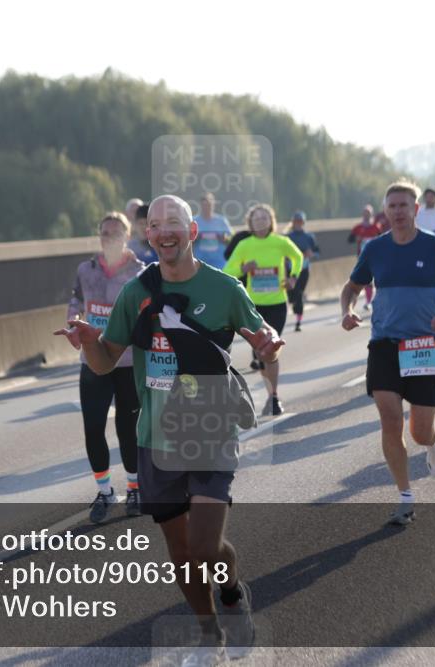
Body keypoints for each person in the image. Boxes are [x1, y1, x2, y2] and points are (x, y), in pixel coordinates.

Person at [56, 194, 283, 664]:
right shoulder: (135, 293)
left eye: (173, 223)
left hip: (211, 428)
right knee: (181, 554)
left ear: (192, 231)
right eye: (155, 225)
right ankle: (210, 636)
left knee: (203, 546)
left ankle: (233, 589)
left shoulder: (224, 290)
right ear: (148, 235)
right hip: (155, 437)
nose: (163, 231)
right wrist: (87, 342)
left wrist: (269, 346)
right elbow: (103, 363)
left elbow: (261, 338)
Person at [340, 181, 435, 525]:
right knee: (389, 419)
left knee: (419, 432)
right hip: (384, 343)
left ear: (416, 210)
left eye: (404, 205)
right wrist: (348, 309)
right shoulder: (374, 248)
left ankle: (434, 442)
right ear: (385, 211)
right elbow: (352, 286)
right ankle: (405, 495)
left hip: (423, 346)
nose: (398, 211)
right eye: (392, 206)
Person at [67, 212, 145, 522]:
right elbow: (76, 302)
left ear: (127, 236)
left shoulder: (140, 273)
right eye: (104, 233)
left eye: (115, 233)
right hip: (93, 360)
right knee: (93, 428)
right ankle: (104, 491)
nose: (109, 238)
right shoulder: (85, 271)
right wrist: (74, 325)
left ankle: (135, 487)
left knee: (128, 430)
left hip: (126, 361)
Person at [224, 204, 304, 416]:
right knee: (259, 353)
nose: (260, 221)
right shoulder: (244, 245)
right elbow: (226, 270)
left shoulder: (281, 242)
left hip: (277, 304)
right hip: (253, 307)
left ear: (271, 221)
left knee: (270, 348)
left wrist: (293, 277)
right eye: (256, 218)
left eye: (264, 217)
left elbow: (298, 258)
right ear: (250, 222)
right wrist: (243, 269)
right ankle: (271, 395)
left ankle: (274, 397)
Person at [285, 210, 320, 332]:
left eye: (300, 221)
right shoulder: (288, 237)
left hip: (304, 270)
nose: (298, 223)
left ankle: (298, 322)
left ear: (303, 223)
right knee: (293, 296)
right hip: (290, 270)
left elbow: (317, 253)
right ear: (293, 223)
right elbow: (282, 254)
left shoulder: (309, 237)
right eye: (296, 221)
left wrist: (312, 254)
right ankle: (295, 305)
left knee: (299, 293)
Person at [349, 205, 384, 310]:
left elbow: (383, 239)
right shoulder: (358, 228)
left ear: (371, 215)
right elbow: (349, 240)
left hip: (376, 257)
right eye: (365, 213)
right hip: (362, 257)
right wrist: (357, 238)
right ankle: (368, 301)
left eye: (368, 213)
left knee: (376, 278)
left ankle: (376, 299)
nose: (366, 215)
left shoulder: (376, 227)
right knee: (366, 280)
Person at [193, 193, 233, 270]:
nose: (207, 206)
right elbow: (186, 240)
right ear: (201, 205)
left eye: (209, 204)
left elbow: (231, 240)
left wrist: (223, 238)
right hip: (200, 263)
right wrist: (196, 237)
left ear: (213, 204)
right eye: (205, 204)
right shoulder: (194, 221)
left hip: (220, 263)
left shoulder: (221, 221)